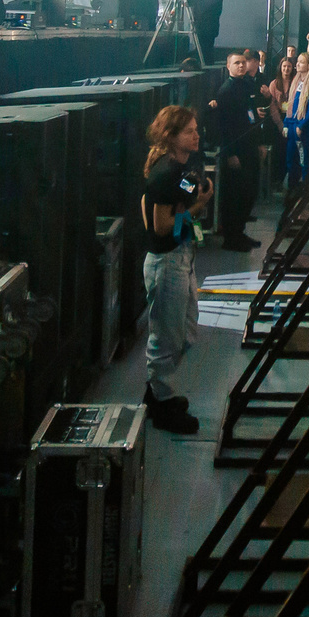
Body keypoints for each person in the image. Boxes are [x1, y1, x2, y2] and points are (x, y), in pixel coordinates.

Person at [138, 103, 211, 435]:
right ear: (170, 136)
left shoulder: (176, 170)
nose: (196, 135)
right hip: (168, 263)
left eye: (196, 129)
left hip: (180, 257)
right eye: (189, 131)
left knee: (184, 331)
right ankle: (161, 403)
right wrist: (198, 207)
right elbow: (162, 227)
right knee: (167, 338)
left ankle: (156, 393)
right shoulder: (166, 173)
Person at [202, 48, 268, 252]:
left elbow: (252, 115)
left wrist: (259, 143)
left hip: (249, 146)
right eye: (236, 63)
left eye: (243, 62)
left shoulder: (248, 84)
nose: (241, 65)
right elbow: (223, 126)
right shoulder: (226, 91)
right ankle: (231, 237)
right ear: (228, 66)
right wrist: (230, 154)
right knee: (235, 195)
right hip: (235, 149)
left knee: (249, 192)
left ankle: (240, 232)